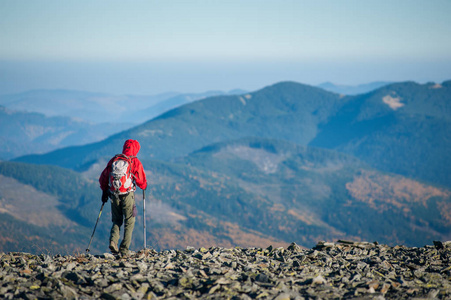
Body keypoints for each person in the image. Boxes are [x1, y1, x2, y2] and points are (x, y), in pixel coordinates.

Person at [99, 139, 147, 256]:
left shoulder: (114, 160)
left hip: (113, 194)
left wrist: (104, 191)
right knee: (130, 221)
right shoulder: (134, 161)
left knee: (116, 220)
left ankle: (113, 241)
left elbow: (103, 177)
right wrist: (144, 186)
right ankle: (124, 249)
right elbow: (142, 181)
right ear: (136, 149)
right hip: (127, 195)